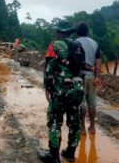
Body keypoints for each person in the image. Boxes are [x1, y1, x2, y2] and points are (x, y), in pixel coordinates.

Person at [40, 22, 85, 163]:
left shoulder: (55, 45)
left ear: (59, 32)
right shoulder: (78, 46)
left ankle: (53, 156)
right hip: (78, 90)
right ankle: (70, 153)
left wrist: (47, 87)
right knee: (74, 122)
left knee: (54, 120)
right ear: (70, 32)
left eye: (56, 31)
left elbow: (49, 68)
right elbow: (82, 69)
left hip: (61, 90)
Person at [75, 22, 102, 135]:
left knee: (81, 103)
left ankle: (82, 127)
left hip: (80, 77)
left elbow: (77, 61)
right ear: (87, 31)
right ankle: (92, 127)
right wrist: (97, 76)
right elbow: (98, 61)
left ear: (77, 32)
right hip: (92, 77)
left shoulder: (75, 43)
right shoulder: (94, 43)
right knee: (92, 103)